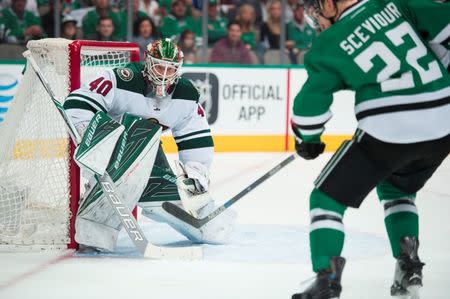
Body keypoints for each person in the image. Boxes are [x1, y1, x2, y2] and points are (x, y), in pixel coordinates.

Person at [289, 0, 450, 298]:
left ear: (329, 3)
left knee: (325, 198)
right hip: (444, 122)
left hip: (389, 129)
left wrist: (307, 138)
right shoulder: (392, 4)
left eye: (316, 9)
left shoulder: (327, 43)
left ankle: (327, 281)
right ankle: (409, 265)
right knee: (397, 189)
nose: (315, 17)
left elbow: (310, 105)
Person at [62, 38, 235, 253]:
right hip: (112, 152)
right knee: (137, 135)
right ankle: (96, 228)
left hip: (150, 154)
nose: (163, 74)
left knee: (207, 221)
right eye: (159, 66)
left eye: (170, 69)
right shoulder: (120, 79)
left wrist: (194, 176)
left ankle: (183, 211)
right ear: (147, 62)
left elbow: (196, 139)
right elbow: (78, 102)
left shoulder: (187, 95)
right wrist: (93, 142)